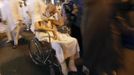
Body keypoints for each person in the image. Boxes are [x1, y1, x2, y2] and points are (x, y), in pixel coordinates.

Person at [81, 0, 124, 75]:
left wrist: (87, 61)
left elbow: (93, 33)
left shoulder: (99, 4)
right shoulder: (97, 4)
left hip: (102, 57)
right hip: (102, 57)